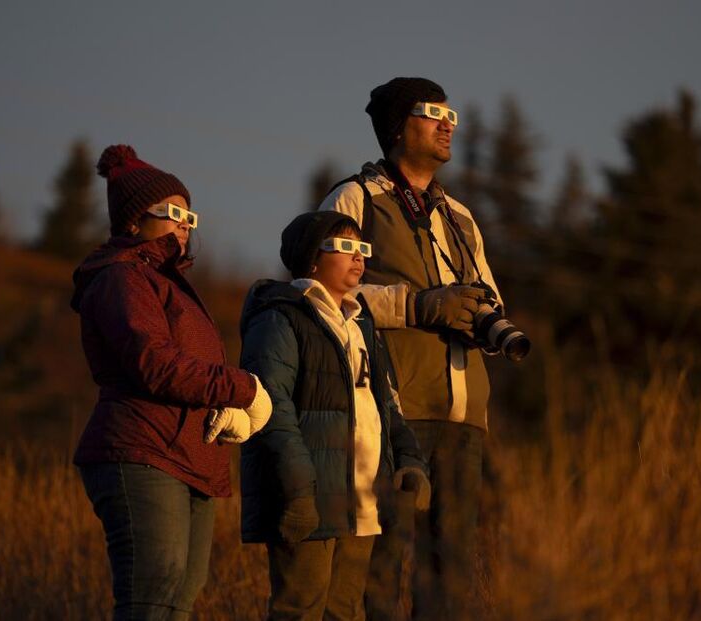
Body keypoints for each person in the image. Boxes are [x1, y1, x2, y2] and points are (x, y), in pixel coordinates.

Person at [318, 77, 504, 620]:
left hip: (463, 414)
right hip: (391, 409)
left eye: (453, 114)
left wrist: (485, 319)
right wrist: (419, 306)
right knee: (383, 562)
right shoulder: (356, 198)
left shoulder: (461, 217)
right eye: (432, 113)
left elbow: (492, 299)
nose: (448, 124)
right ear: (399, 126)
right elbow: (322, 294)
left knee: (450, 574)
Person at [70, 144, 273, 621]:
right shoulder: (123, 277)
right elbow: (154, 362)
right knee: (152, 594)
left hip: (189, 457)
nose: (185, 224)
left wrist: (229, 407)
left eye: (189, 215)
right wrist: (242, 388)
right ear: (134, 221)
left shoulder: (164, 279)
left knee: (179, 599)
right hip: (141, 449)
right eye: (172, 213)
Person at [239, 211, 431, 621]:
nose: (358, 257)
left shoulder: (361, 323)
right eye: (344, 247)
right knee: (299, 610)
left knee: (345, 612)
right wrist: (298, 488)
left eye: (362, 248)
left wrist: (410, 461)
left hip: (361, 498)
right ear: (311, 259)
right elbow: (271, 405)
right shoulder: (281, 316)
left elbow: (387, 404)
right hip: (308, 498)